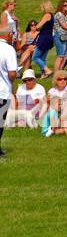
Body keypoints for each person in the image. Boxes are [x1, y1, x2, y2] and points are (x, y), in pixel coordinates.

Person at [0, 26, 18, 156]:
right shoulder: (8, 49)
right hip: (2, 90)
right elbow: (12, 73)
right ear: (9, 35)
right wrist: (12, 81)